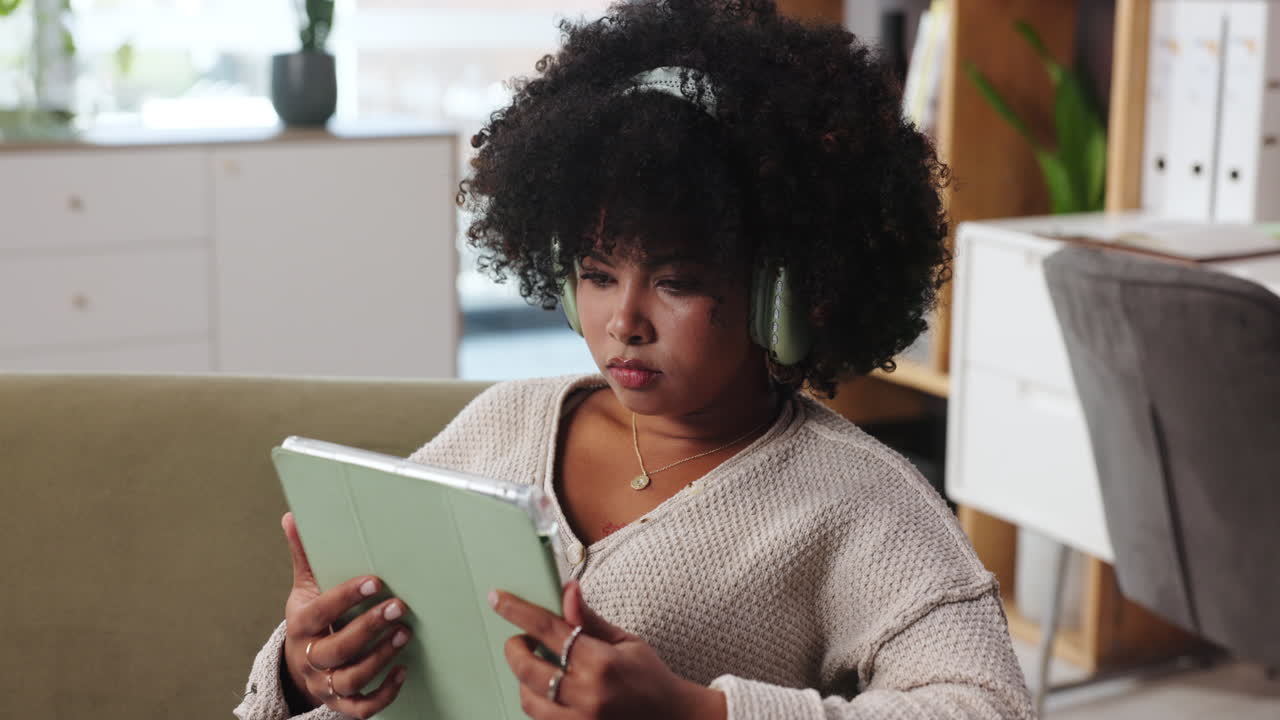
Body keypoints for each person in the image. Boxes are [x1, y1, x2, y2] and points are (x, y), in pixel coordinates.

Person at [234, 1, 1034, 718]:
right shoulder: (507, 420)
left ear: (781, 294)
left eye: (678, 282)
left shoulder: (860, 500)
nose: (624, 321)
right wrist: (307, 672)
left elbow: (989, 706)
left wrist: (695, 716)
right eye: (596, 273)